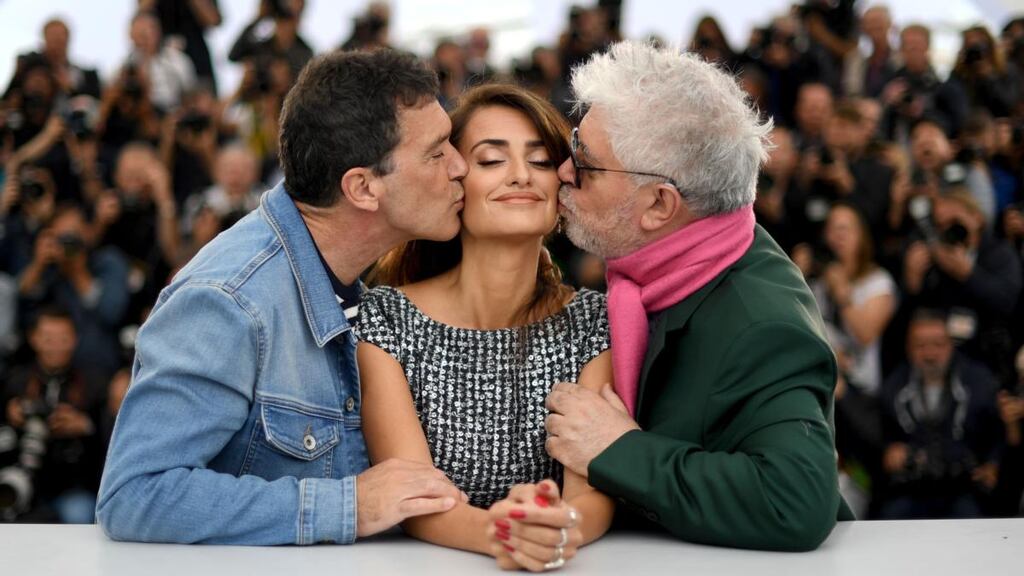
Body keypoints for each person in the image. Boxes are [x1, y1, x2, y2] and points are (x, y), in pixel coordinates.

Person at [96, 49, 468, 545]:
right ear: (362, 188)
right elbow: (135, 494)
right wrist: (349, 506)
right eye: (437, 152)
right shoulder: (229, 301)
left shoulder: (351, 279)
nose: (460, 165)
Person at [543, 41, 852, 552]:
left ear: (659, 206)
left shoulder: (762, 326)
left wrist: (619, 449)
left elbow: (795, 501)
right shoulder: (670, 260)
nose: (563, 170)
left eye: (586, 163)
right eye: (575, 142)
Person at [358, 84, 612, 571]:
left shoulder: (592, 322)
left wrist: (556, 526)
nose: (520, 175)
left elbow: (592, 492)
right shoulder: (387, 318)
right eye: (492, 160)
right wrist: (506, 532)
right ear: (455, 182)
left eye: (540, 161)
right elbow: (413, 496)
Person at [876, 310, 1002, 519]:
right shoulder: (893, 387)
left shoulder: (979, 382)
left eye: (938, 344)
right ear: (908, 347)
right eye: (920, 345)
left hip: (964, 487)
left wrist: (993, 463)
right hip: (912, 488)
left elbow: (997, 431)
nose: (930, 354)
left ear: (951, 344)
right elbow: (882, 435)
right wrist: (890, 451)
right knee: (889, 519)